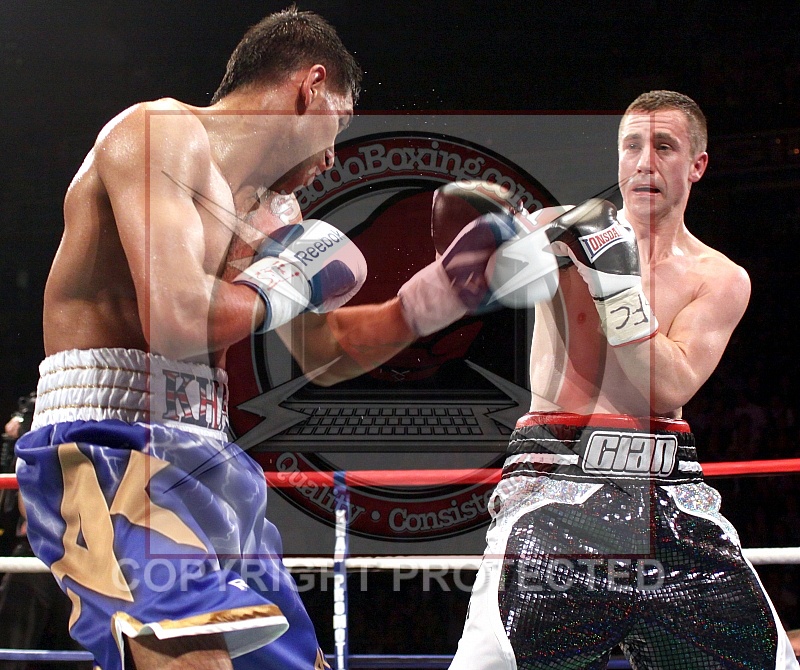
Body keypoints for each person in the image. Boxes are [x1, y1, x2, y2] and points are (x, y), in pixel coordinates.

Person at [13, 7, 511, 670]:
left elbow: (326, 353)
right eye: (339, 124)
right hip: (109, 440)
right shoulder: (160, 134)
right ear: (312, 86)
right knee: (190, 653)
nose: (333, 156)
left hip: (209, 452)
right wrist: (285, 282)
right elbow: (176, 319)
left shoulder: (276, 212)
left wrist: (437, 296)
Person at [447, 91, 800, 668]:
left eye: (664, 147)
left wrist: (615, 285)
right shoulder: (561, 231)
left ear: (697, 165)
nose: (644, 162)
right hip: (555, 490)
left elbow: (669, 388)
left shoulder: (720, 278)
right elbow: (481, 278)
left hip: (672, 502)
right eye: (631, 146)